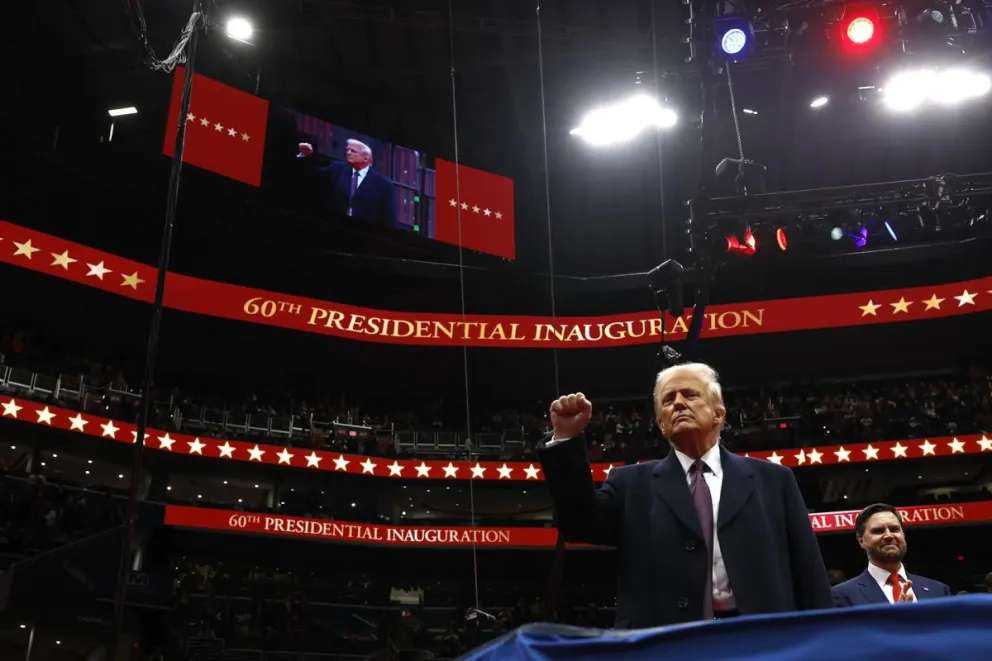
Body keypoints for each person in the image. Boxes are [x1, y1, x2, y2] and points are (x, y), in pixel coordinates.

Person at [538, 362, 833, 629]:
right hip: (664, 642)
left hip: (763, 640)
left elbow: (808, 570)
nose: (678, 403)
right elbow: (578, 524)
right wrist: (565, 438)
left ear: (719, 413)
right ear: (661, 423)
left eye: (690, 395)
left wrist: (824, 640)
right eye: (668, 400)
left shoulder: (773, 480)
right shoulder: (631, 484)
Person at [832, 503, 951, 606]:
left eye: (894, 529)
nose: (889, 535)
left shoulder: (939, 590)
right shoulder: (842, 595)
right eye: (878, 531)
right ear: (861, 540)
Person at [298, 138, 397, 228]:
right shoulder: (336, 168)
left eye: (353, 151)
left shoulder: (384, 186)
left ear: (366, 159)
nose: (348, 153)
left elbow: (389, 221)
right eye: (347, 150)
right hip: (333, 227)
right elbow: (314, 178)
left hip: (365, 236)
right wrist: (306, 156)